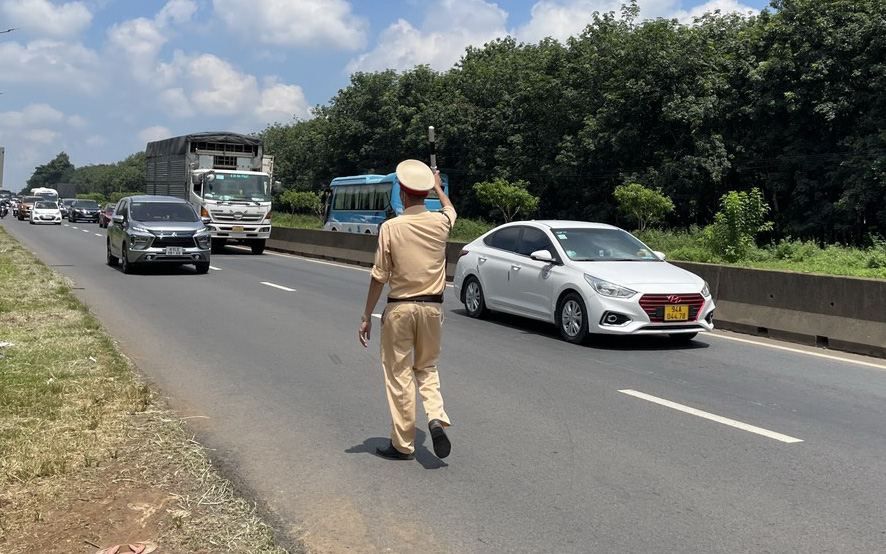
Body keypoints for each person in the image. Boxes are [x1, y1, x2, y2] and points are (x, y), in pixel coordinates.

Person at [358, 159, 456, 461]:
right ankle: (436, 415)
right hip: (432, 309)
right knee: (426, 367)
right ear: (425, 192)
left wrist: (366, 316)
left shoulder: (390, 228)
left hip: (400, 309)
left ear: (401, 191)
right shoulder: (441, 223)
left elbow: (379, 276)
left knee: (399, 374)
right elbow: (452, 210)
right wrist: (439, 189)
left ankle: (402, 444)